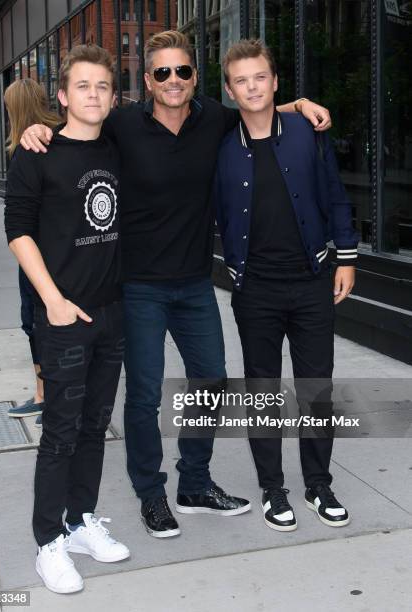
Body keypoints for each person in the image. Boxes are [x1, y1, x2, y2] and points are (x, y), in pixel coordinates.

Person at [19, 31, 333, 539]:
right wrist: (41, 129)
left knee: (210, 381)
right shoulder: (122, 124)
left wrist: (297, 103)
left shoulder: (215, 119)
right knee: (144, 396)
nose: (172, 81)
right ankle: (151, 494)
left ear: (194, 78)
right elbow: (80, 128)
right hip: (137, 286)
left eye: (182, 71)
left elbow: (259, 107)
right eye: (161, 72)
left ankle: (195, 483)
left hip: (194, 284)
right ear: (147, 81)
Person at [214, 39, 358, 532]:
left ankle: (318, 485)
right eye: (241, 80)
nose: (252, 87)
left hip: (314, 280)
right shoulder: (220, 145)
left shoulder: (305, 132)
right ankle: (273, 490)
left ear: (275, 83)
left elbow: (336, 197)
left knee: (317, 388)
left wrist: (347, 257)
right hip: (255, 289)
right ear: (230, 90)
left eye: (260, 77)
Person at [4, 44, 129, 594]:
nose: (94, 95)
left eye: (103, 86)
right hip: (64, 316)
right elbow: (18, 229)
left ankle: (80, 523)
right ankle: (47, 542)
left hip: (112, 312)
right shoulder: (37, 151)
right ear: (62, 96)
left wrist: (289, 106)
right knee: (59, 431)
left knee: (94, 428)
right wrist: (51, 300)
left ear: (113, 95)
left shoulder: (120, 144)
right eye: (83, 86)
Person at [4, 79, 61, 426]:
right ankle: (47, 396)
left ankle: (48, 396)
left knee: (38, 325)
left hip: (38, 252)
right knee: (40, 324)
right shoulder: (53, 137)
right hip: (50, 248)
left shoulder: (30, 147)